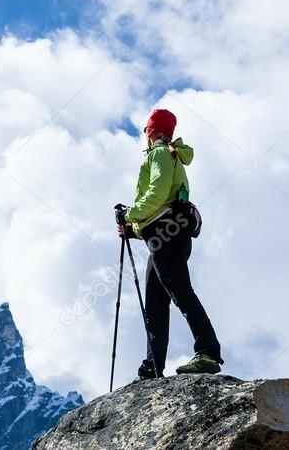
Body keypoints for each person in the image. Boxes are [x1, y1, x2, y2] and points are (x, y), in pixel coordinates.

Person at [117, 108, 223, 379]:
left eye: (146, 130)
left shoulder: (161, 154)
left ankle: (208, 352)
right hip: (165, 235)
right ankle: (153, 366)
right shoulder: (172, 155)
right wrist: (133, 230)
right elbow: (164, 204)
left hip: (166, 236)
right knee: (155, 303)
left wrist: (130, 214)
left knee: (180, 292)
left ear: (151, 131)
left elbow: (158, 193)